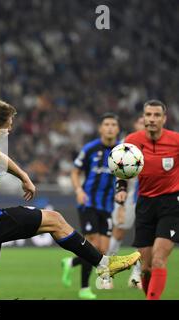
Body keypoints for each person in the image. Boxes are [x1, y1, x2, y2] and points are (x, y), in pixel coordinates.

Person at [0, 98, 140, 300]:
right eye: (7, 127)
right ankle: (103, 265)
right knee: (54, 220)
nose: (10, 131)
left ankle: (103, 265)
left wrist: (23, 176)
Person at [115, 100, 179, 300]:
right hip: (145, 203)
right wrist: (122, 188)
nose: (151, 119)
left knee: (159, 259)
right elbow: (121, 168)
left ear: (164, 119)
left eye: (156, 115)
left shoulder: (176, 140)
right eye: (148, 115)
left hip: (171, 203)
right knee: (146, 266)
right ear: (143, 117)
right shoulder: (132, 140)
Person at [61, 113, 121, 299]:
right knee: (92, 243)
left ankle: (71, 263)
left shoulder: (122, 151)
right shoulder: (91, 148)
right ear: (101, 128)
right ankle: (84, 288)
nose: (110, 127)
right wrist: (79, 190)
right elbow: (75, 171)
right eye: (107, 124)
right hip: (89, 203)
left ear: (117, 129)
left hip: (107, 205)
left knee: (101, 250)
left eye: (113, 124)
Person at [107, 115, 145, 289]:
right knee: (119, 232)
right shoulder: (127, 144)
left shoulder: (157, 144)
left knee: (144, 238)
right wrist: (120, 205)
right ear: (135, 124)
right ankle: (108, 272)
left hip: (150, 197)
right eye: (141, 121)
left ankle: (136, 276)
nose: (145, 124)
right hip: (129, 196)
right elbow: (118, 173)